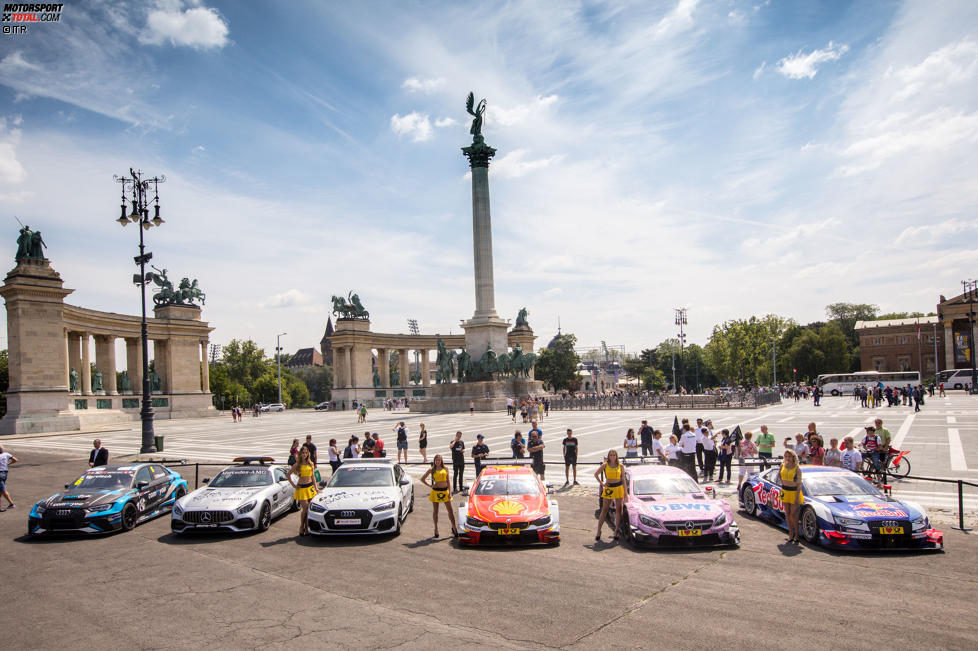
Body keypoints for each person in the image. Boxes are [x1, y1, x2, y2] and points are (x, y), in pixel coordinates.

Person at [420, 454, 456, 538]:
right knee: (435, 511)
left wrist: (450, 493)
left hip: (445, 491)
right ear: (434, 461)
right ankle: (436, 528)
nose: (438, 462)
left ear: (441, 461)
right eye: (436, 460)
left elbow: (448, 481)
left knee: (450, 510)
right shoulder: (432, 469)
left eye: (439, 460)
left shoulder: (445, 468)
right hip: (436, 492)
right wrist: (430, 485)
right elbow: (422, 479)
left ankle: (454, 527)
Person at [594, 450, 626, 542]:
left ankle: (616, 531)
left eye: (614, 455)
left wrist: (626, 494)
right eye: (611, 455)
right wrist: (602, 484)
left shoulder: (621, 466)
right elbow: (596, 474)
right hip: (609, 488)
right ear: (608, 456)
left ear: (616, 456)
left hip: (618, 488)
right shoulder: (605, 465)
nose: (612, 456)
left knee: (619, 510)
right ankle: (598, 531)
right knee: (604, 510)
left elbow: (623, 480)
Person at [287, 446, 318, 536]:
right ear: (300, 454)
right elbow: (288, 475)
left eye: (306, 453)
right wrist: (294, 485)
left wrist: (316, 488)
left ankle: (307, 527)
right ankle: (301, 526)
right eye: (303, 453)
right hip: (301, 489)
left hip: (310, 488)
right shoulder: (297, 465)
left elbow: (313, 477)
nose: (304, 454)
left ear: (308, 454)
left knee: (309, 509)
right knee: (305, 508)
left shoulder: (310, 464)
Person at [780, 449, 804, 543]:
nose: (788, 458)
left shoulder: (797, 468)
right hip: (785, 491)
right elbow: (780, 477)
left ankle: (797, 534)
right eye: (786, 456)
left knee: (793, 514)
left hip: (794, 492)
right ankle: (790, 533)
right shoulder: (782, 466)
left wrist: (797, 496)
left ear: (793, 457)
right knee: (787, 513)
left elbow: (799, 483)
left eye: (789, 456)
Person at [0, 445, 18, 511]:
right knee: (2, 490)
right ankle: (9, 504)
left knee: (3, 490)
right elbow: (15, 460)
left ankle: (11, 504)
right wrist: (7, 464)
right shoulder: (6, 454)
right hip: (5, 473)